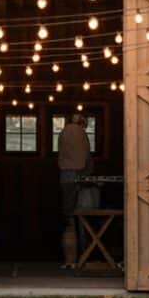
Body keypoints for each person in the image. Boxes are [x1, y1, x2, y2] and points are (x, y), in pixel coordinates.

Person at [57, 113, 92, 268]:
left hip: (65, 176)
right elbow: (87, 159)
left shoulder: (63, 132)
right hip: (80, 176)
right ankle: (83, 258)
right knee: (83, 217)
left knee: (68, 217)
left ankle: (69, 259)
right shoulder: (82, 134)